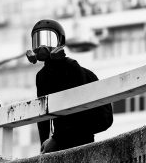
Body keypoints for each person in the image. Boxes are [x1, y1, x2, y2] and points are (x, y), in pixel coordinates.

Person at [26, 19, 113, 153]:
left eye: (49, 39)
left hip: (81, 138)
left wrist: (55, 139)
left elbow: (80, 111)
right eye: (38, 40)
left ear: (59, 42)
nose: (42, 46)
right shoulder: (41, 76)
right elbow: (42, 113)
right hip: (59, 139)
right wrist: (43, 145)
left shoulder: (72, 67)